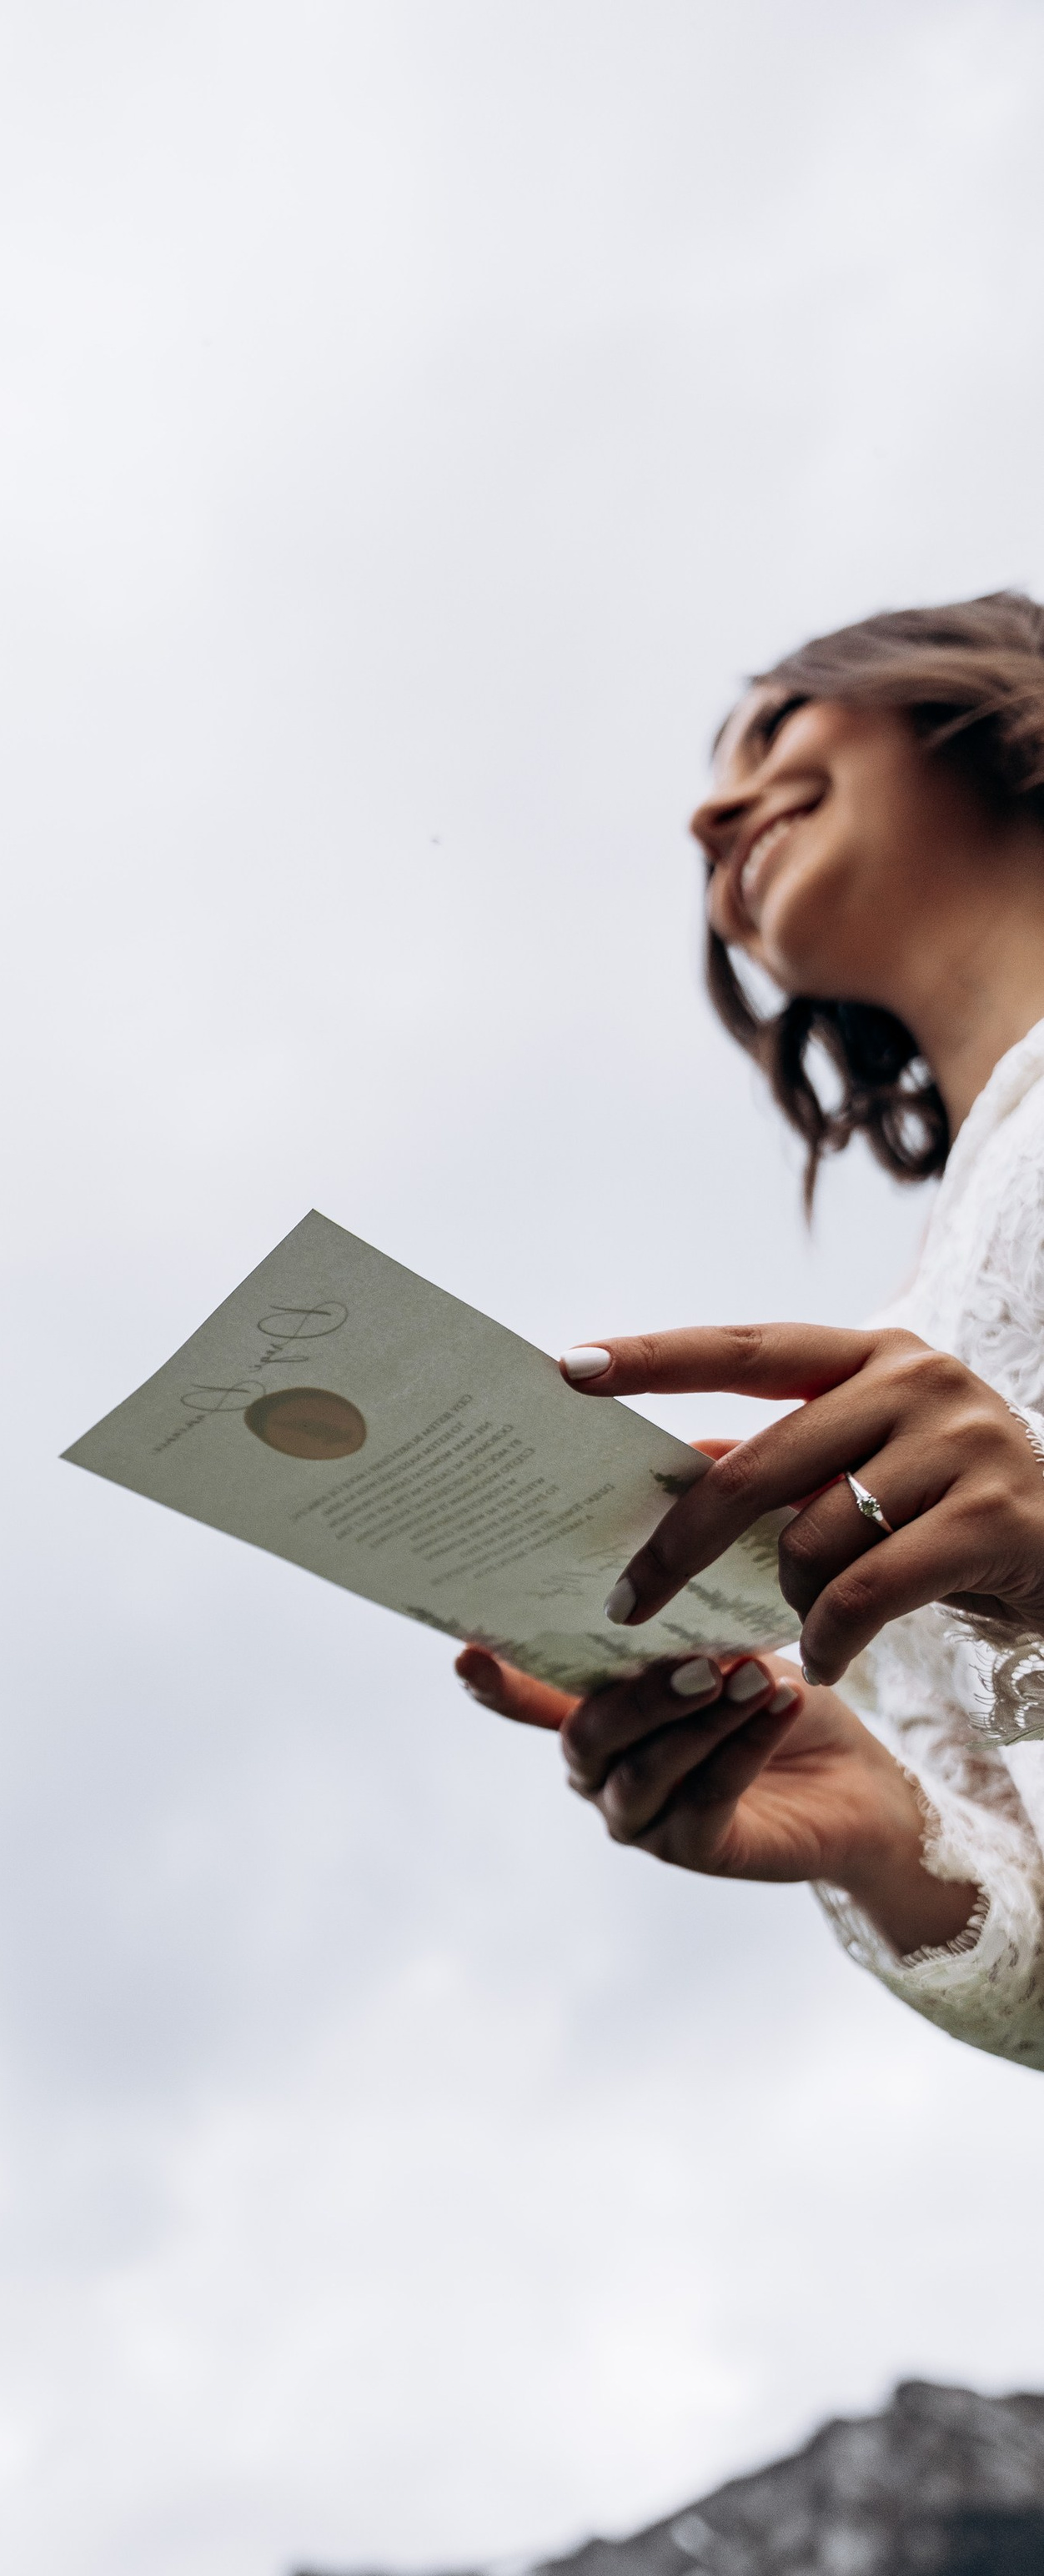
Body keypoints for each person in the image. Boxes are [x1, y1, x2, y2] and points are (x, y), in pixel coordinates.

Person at [460, 592, 1044, 2068]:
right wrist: (890, 1841)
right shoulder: (899, 1359)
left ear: (967, 699)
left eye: (776, 722)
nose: (712, 815)